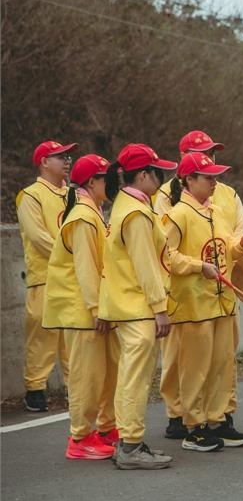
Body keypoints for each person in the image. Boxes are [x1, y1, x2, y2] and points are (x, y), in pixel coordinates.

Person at [162, 152, 243, 452]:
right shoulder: (178, 214)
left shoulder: (216, 211)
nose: (214, 182)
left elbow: (227, 248)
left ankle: (218, 420)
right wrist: (197, 266)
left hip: (222, 301)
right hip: (193, 305)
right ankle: (194, 426)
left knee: (221, 365)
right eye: (208, 177)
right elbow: (166, 256)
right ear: (189, 180)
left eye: (215, 176)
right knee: (194, 368)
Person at [99, 143, 179, 470]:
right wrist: (160, 308)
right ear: (143, 175)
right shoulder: (136, 214)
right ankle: (131, 446)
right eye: (158, 172)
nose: (162, 178)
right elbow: (145, 265)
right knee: (135, 379)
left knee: (130, 376)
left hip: (127, 303)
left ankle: (128, 442)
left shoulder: (127, 205)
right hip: (137, 306)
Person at [42, 154, 119, 459]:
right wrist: (97, 309)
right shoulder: (83, 218)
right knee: (86, 376)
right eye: (106, 178)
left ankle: (105, 428)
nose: (111, 183)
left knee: (105, 372)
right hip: (83, 311)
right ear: (92, 182)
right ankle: (80, 437)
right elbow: (86, 268)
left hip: (93, 308)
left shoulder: (92, 212)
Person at [17, 140, 76, 412]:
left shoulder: (74, 194)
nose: (67, 161)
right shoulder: (30, 195)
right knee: (42, 332)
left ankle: (75, 387)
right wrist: (72, 257)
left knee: (73, 333)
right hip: (45, 276)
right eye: (60, 156)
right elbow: (38, 236)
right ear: (43, 162)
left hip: (73, 277)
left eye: (68, 156)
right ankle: (35, 388)